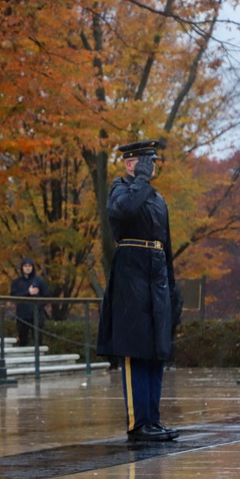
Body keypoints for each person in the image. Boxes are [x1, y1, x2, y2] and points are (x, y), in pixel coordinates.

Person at [96, 139, 183, 442]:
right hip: (131, 271)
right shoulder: (120, 189)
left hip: (155, 272)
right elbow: (125, 211)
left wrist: (172, 286)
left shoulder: (157, 198)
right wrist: (140, 180)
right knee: (135, 348)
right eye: (146, 161)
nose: (152, 166)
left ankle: (153, 420)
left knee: (156, 350)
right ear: (131, 163)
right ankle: (138, 422)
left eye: (153, 161)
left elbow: (165, 242)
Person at [9, 258, 51, 346]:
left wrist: (38, 306)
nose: (27, 268)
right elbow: (13, 296)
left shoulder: (39, 280)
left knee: (38, 340)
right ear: (22, 268)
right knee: (22, 340)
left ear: (32, 267)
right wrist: (28, 293)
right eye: (25, 266)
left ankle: (39, 359)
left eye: (29, 266)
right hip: (22, 315)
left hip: (36, 314)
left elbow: (47, 296)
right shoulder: (17, 282)